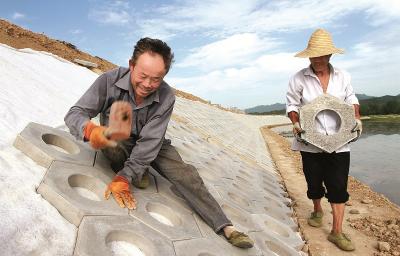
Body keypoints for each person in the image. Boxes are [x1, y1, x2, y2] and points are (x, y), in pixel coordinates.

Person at [64, 37, 254, 249]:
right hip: (118, 136)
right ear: (131, 65)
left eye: (156, 79)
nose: (147, 85)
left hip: (152, 142)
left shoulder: (166, 96)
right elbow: (75, 113)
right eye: (142, 76)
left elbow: (150, 142)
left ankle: (225, 226)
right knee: (117, 136)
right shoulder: (108, 80)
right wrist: (90, 130)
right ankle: (137, 169)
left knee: (185, 174)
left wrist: (124, 178)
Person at [286, 29, 362, 251]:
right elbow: (292, 104)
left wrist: (356, 117)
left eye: (322, 55)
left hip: (340, 142)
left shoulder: (343, 76)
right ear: (309, 56)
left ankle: (337, 231)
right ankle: (317, 209)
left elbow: (351, 98)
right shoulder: (298, 78)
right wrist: (295, 122)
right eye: (314, 56)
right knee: (313, 181)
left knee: (338, 184)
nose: (317, 60)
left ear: (330, 55)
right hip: (309, 141)